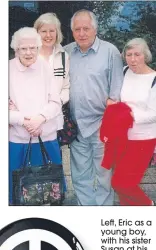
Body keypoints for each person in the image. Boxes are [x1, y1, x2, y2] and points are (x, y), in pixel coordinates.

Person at [64, 9, 124, 205]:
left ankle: (103, 215)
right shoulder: (65, 52)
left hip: (102, 124)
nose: (82, 33)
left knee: (104, 175)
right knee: (80, 175)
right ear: (72, 31)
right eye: (77, 29)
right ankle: (86, 214)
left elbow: (116, 90)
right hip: (76, 126)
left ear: (95, 30)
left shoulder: (110, 52)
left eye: (86, 29)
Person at [9, 27, 63, 204]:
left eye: (33, 48)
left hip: (46, 137)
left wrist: (39, 119)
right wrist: (24, 122)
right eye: (23, 48)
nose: (28, 52)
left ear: (38, 49)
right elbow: (2, 108)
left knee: (49, 191)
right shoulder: (7, 70)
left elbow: (56, 102)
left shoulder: (45, 68)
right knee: (20, 191)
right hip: (18, 140)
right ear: (16, 49)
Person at [110, 38, 156, 206]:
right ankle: (132, 223)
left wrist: (127, 116)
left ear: (145, 56)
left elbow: (153, 114)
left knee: (121, 183)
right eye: (129, 54)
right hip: (121, 138)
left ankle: (149, 206)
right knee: (124, 192)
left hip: (143, 139)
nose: (133, 59)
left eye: (137, 54)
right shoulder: (123, 72)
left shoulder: (153, 79)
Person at [34, 13, 69, 129]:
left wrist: (55, 104)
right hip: (32, 119)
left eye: (52, 31)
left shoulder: (64, 56)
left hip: (55, 120)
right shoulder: (28, 54)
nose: (48, 35)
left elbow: (66, 87)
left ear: (57, 32)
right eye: (43, 31)